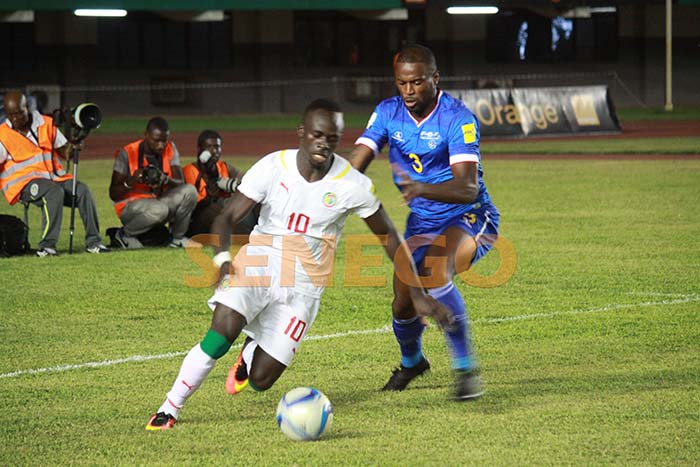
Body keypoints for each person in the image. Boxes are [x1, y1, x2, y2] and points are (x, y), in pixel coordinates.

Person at [146, 98, 451, 430]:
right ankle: (169, 408)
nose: (324, 143)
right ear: (302, 133)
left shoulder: (352, 184)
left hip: (304, 287)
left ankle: (250, 354)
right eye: (318, 135)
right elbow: (226, 218)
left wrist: (419, 293)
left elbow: (391, 238)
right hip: (258, 263)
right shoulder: (272, 167)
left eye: (332, 138)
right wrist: (222, 261)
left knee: (262, 380)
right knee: (220, 334)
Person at [347, 44, 500, 400]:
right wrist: (330, 184)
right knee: (403, 299)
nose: (409, 91)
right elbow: (358, 160)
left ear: (435, 78)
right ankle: (413, 362)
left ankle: (466, 370)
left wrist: (422, 188)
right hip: (422, 223)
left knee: (434, 271)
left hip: (470, 216)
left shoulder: (457, 118)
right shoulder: (387, 112)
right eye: (402, 83)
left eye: (417, 82)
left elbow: (466, 187)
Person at [0, 91, 109, 256]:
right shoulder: (3, 135)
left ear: (27, 107)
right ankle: (47, 246)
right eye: (10, 115)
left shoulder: (45, 123)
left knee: (82, 191)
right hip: (22, 186)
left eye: (19, 114)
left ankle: (94, 242)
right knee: (53, 191)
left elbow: (66, 153)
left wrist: (76, 140)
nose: (15, 119)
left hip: (54, 178)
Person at [109, 117, 198, 249]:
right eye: (156, 140)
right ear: (146, 135)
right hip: (130, 207)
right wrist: (132, 180)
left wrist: (165, 179)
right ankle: (124, 234)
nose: (161, 145)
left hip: (157, 202)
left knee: (190, 190)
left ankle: (177, 239)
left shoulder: (170, 148)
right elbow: (113, 194)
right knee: (160, 209)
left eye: (164, 140)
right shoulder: (128, 152)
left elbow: (181, 182)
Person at [182, 130, 256, 237]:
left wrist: (233, 185)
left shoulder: (224, 167)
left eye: (217, 147)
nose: (214, 151)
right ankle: (246, 236)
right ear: (200, 149)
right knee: (222, 210)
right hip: (197, 219)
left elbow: (247, 181)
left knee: (252, 201)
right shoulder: (189, 170)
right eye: (209, 147)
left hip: (218, 212)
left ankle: (262, 232)